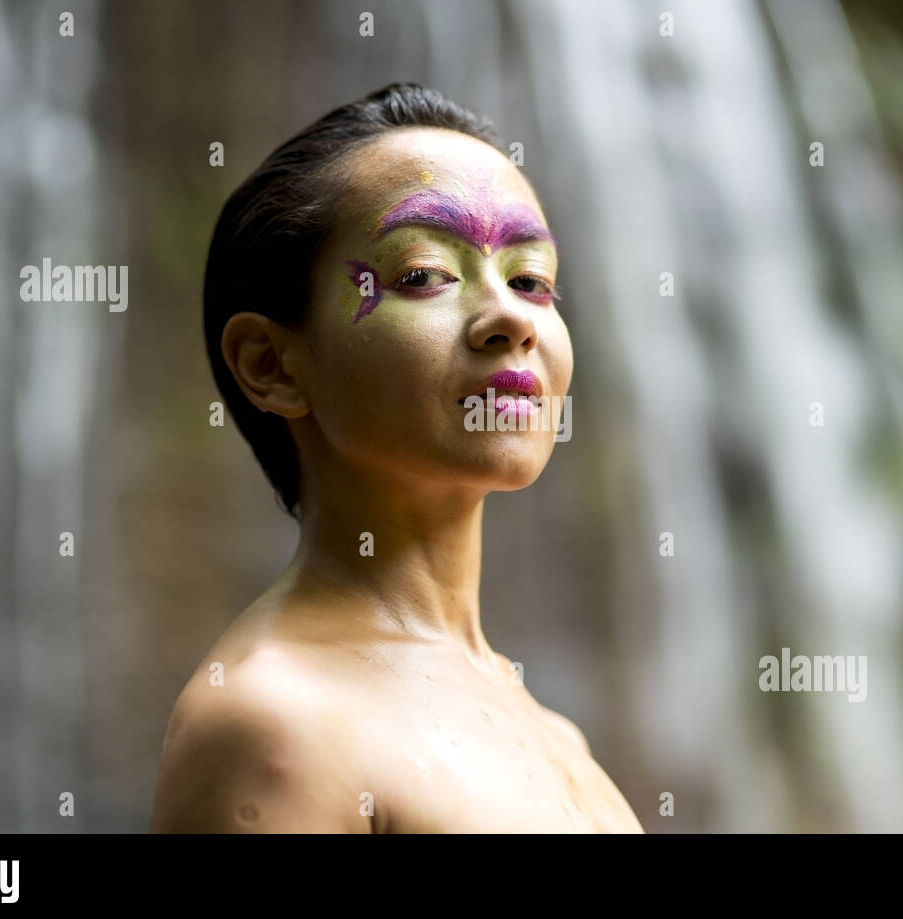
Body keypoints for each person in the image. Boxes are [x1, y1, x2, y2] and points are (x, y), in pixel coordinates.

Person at [149, 83, 643, 833]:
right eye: (422, 274)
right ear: (271, 366)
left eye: (531, 279)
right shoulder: (275, 724)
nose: (510, 316)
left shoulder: (554, 733)